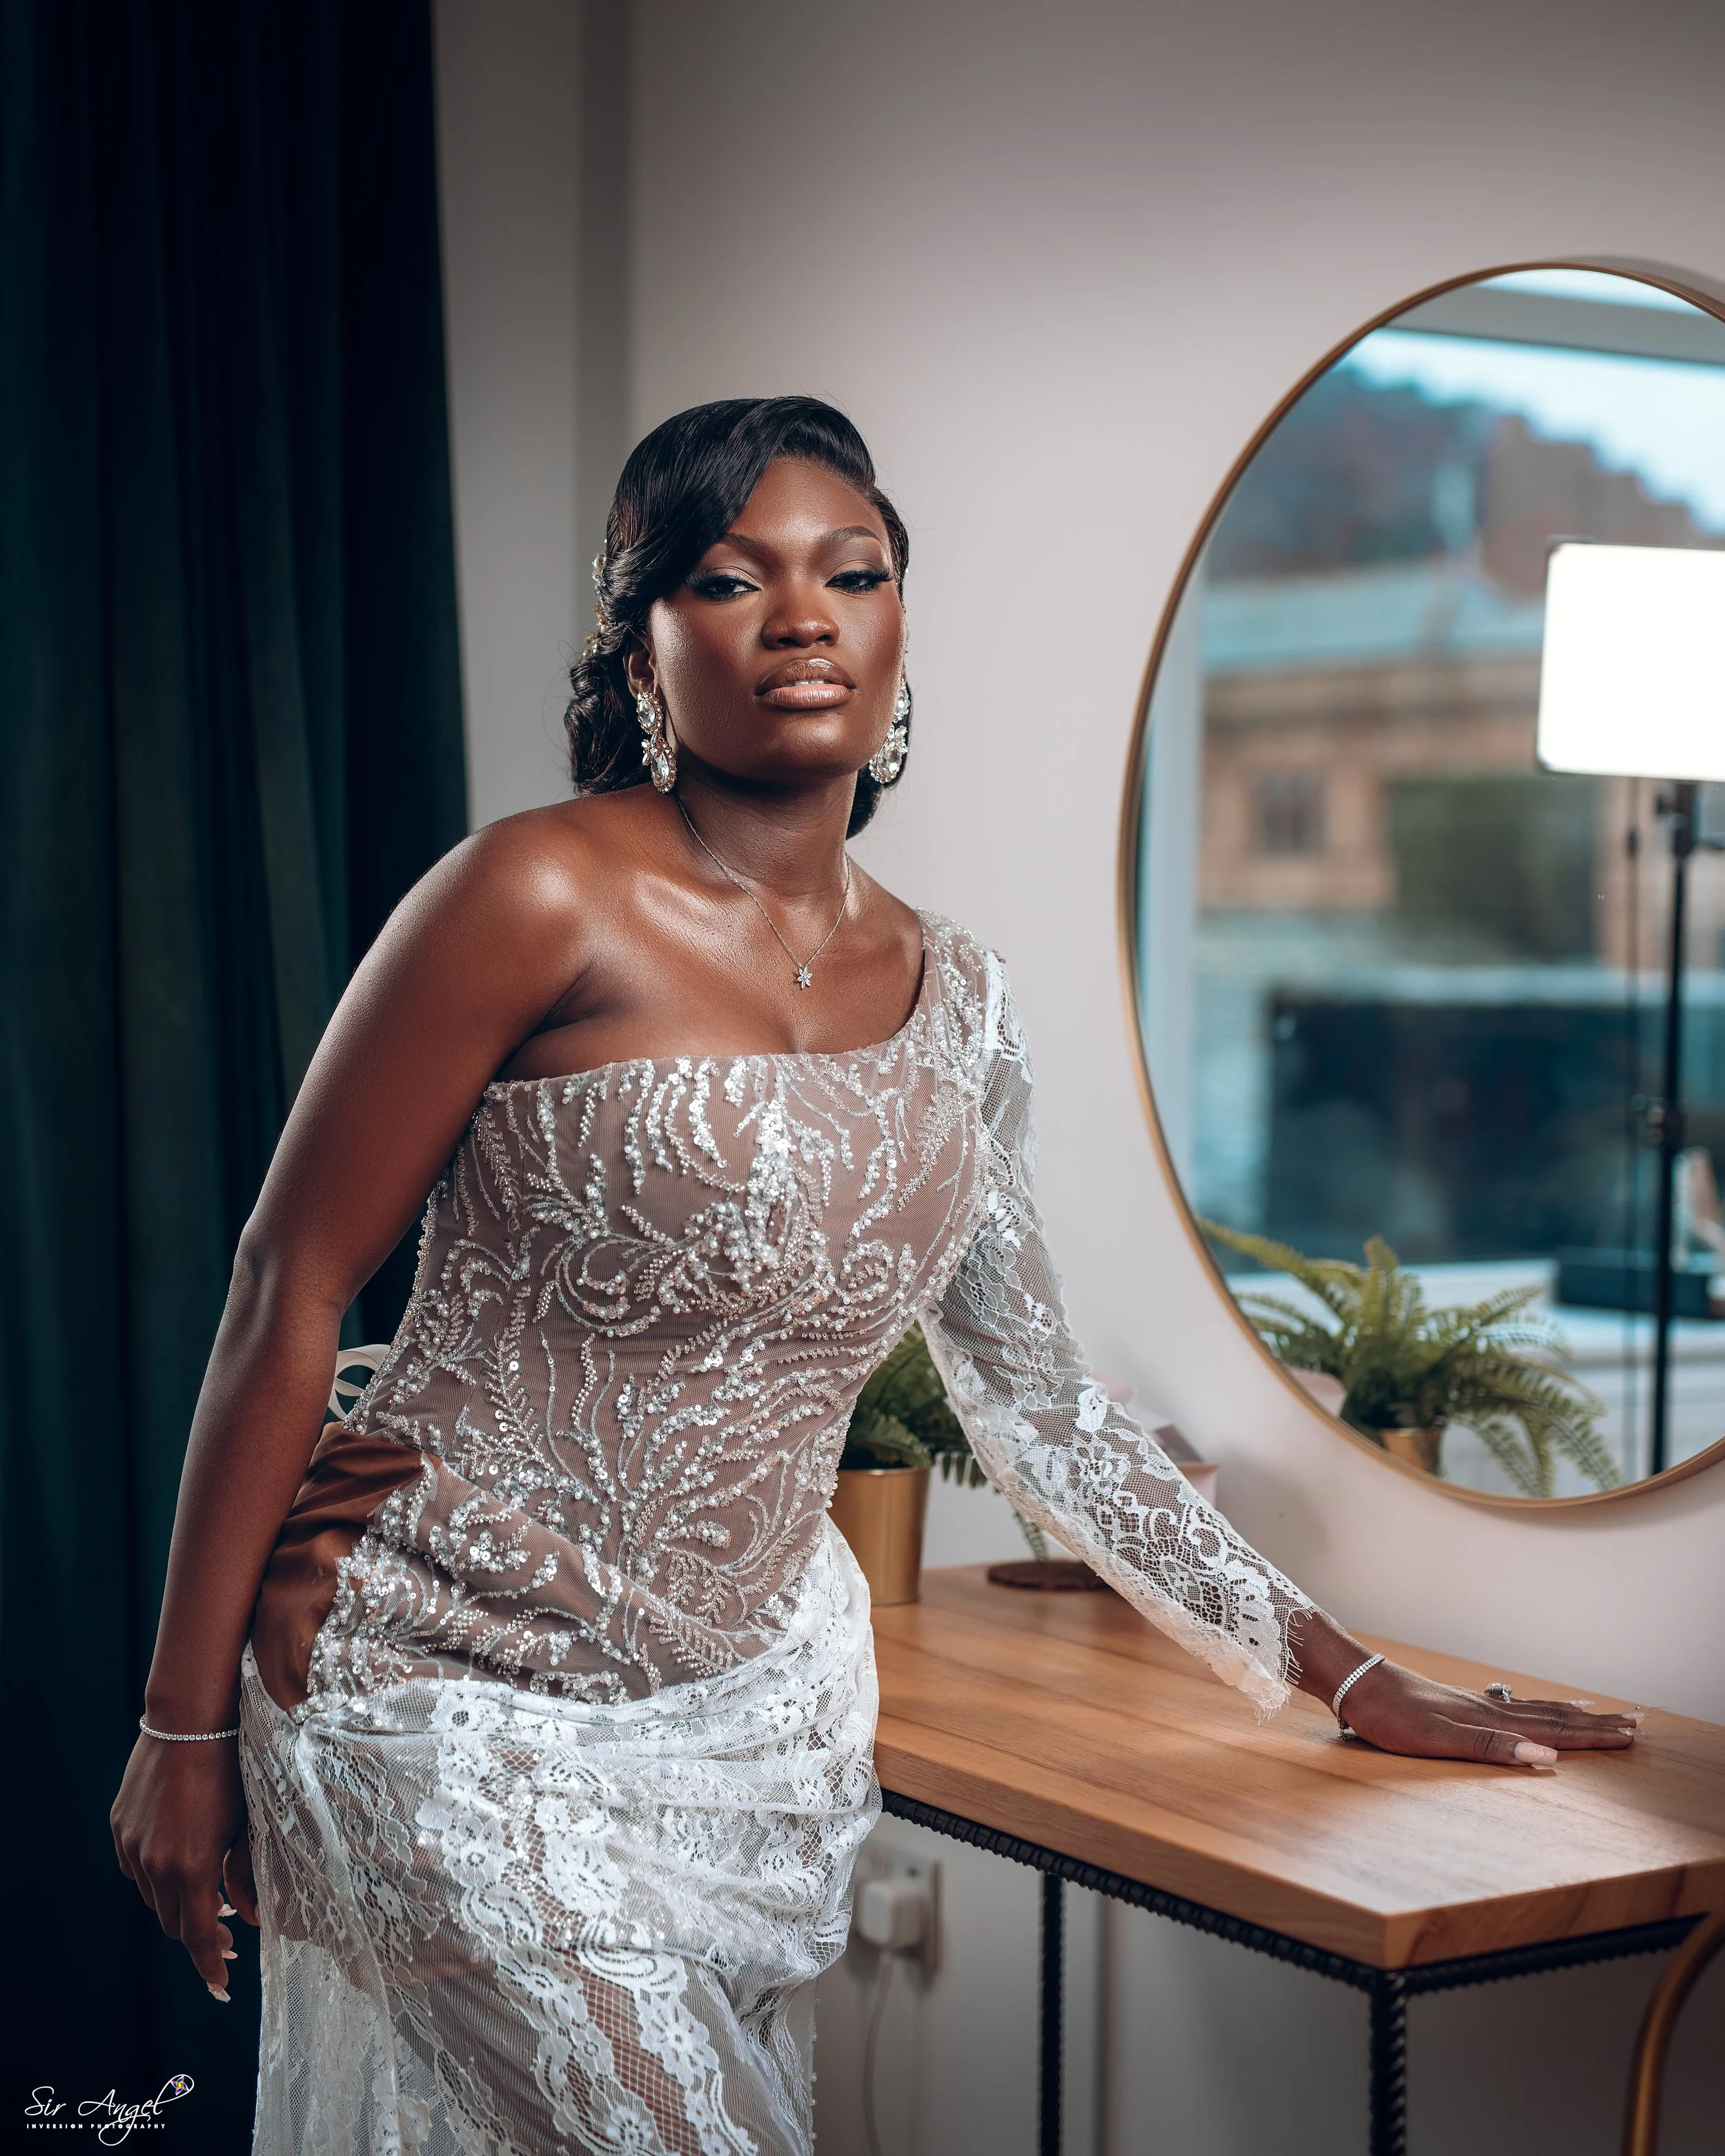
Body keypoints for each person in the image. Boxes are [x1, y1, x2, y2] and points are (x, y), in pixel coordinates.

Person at [110, 396, 1641, 2156]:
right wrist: (180, 1718)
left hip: (754, 1725)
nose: (801, 614)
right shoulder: (529, 893)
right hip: (436, 1684)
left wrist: (1347, 1673)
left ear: (899, 627)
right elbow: (283, 1282)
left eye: (853, 571)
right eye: (725, 576)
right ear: (640, 647)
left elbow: (1044, 1406)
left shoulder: (961, 1002)